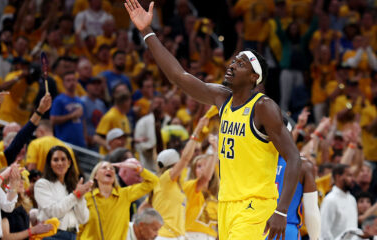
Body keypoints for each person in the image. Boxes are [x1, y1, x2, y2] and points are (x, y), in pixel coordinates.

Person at [125, 1, 302, 239]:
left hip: (255, 205)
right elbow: (179, 76)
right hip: (226, 203)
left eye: (241, 64)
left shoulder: (263, 107)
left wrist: (281, 211)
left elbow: (294, 158)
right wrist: (147, 31)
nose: (232, 65)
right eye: (233, 60)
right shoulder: (222, 98)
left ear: (253, 77)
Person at [77, 160, 159, 240]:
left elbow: (153, 182)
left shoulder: (125, 194)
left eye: (111, 168)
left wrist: (138, 169)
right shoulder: (87, 198)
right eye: (104, 168)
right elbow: (79, 227)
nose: (109, 169)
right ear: (96, 176)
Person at [34, 146, 93, 239]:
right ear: (49, 164)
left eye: (63, 159)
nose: (60, 163)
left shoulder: (73, 186)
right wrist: (75, 195)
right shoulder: (42, 184)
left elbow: (83, 219)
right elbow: (54, 213)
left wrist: (80, 197)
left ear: (69, 163)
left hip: (72, 235)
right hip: (52, 235)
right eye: (55, 160)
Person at [183, 134, 219, 240]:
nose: (203, 168)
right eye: (199, 166)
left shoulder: (215, 197)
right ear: (193, 170)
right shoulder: (189, 187)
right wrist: (214, 151)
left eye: (206, 165)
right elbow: (204, 178)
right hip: (191, 235)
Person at [320, 164, 357, 239]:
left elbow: (353, 228)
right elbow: (324, 232)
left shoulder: (352, 199)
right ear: (338, 177)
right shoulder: (330, 200)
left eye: (353, 176)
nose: (353, 179)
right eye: (349, 175)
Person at [50, 71, 87, 147]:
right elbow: (53, 120)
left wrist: (85, 138)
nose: (71, 83)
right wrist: (71, 116)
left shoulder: (80, 101)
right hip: (64, 142)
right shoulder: (59, 100)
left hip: (80, 143)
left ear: (77, 82)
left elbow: (83, 121)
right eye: (68, 80)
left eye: (73, 80)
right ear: (63, 83)